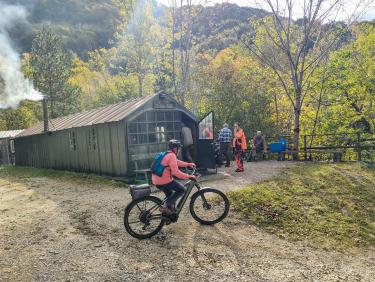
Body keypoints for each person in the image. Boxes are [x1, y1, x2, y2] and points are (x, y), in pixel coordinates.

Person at [152, 139, 196, 216]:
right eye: (179, 149)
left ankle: (168, 215)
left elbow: (177, 162)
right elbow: (176, 173)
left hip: (156, 180)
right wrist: (189, 176)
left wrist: (188, 164)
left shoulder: (166, 154)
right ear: (175, 149)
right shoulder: (172, 155)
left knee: (170, 196)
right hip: (164, 180)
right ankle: (165, 206)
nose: (179, 151)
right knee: (181, 189)